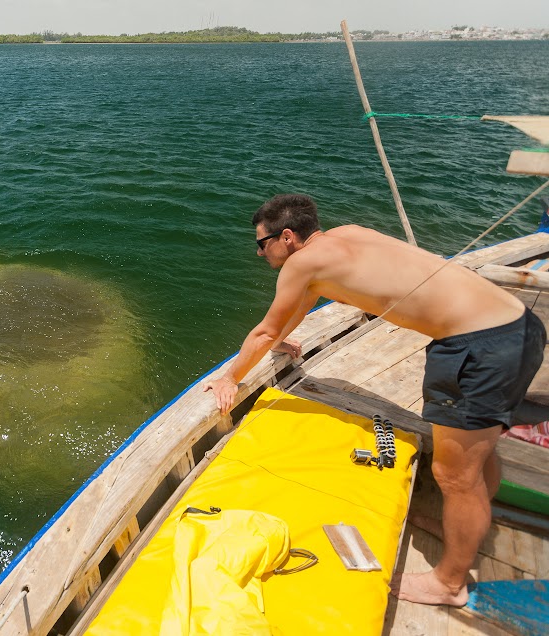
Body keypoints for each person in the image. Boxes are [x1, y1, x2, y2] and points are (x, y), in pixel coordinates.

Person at [202, 193, 546, 606]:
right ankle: (464, 527)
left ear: (288, 237)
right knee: (478, 453)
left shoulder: (300, 264)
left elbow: (263, 330)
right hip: (519, 325)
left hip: (477, 349)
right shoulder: (348, 235)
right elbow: (292, 314)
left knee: (457, 475)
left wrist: (229, 378)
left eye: (262, 243)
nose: (260, 252)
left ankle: (449, 583)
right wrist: (279, 341)